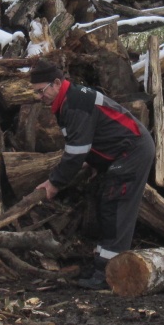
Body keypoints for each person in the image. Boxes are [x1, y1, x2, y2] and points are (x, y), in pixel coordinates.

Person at [29, 61, 155, 290]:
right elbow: (89, 140)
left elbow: (76, 152)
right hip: (120, 153)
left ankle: (109, 274)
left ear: (56, 83)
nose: (39, 97)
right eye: (36, 92)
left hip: (132, 151)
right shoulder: (67, 101)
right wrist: (95, 161)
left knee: (115, 206)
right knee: (104, 203)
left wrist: (54, 183)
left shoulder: (76, 103)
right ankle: (102, 265)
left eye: (41, 90)